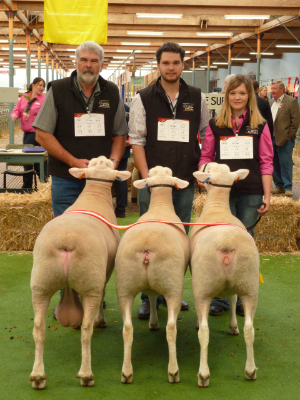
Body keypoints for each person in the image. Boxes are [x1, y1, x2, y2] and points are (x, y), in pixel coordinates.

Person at [129, 42, 210, 319]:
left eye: (176, 63)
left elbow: (206, 135)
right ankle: (147, 298)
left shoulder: (197, 97)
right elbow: (137, 141)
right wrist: (148, 177)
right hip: (154, 184)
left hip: (184, 181)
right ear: (158, 65)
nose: (171, 67)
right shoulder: (143, 97)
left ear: (183, 65)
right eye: (166, 63)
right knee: (147, 239)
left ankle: (173, 293)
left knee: (179, 240)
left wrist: (202, 168)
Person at [199, 74, 273, 317]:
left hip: (250, 192)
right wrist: (204, 177)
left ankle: (242, 297)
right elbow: (206, 156)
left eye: (242, 93)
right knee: (219, 240)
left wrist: (267, 195)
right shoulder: (214, 124)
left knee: (245, 242)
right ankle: (219, 298)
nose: (237, 97)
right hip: (222, 194)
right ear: (226, 96)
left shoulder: (260, 125)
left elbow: (266, 161)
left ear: (249, 96)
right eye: (233, 93)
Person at [33, 41, 127, 216]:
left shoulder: (112, 92)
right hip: (66, 178)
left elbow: (120, 133)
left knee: (98, 229)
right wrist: (73, 162)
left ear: (101, 65)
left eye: (94, 61)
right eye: (84, 60)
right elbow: (42, 134)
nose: (88, 65)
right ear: (76, 63)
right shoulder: (58, 89)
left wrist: (112, 163)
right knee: (65, 232)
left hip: (100, 180)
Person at [11, 77, 46, 188]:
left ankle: (29, 186)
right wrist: (15, 115)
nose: (42, 88)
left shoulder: (43, 99)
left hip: (36, 133)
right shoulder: (24, 98)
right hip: (26, 134)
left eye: (43, 86)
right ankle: (41, 184)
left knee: (30, 159)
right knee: (31, 160)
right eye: (40, 85)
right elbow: (17, 109)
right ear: (33, 85)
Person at [270, 80, 300, 197]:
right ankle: (279, 185)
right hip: (271, 139)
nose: (272, 91)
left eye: (274, 89)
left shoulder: (291, 101)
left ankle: (288, 187)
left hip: (285, 139)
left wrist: (290, 136)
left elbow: (295, 120)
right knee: (274, 163)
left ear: (281, 90)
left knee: (285, 163)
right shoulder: (271, 102)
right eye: (271, 89)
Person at [114, 103, 130, 218]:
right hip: (123, 148)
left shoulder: (110, 105)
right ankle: (121, 210)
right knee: (120, 179)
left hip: (111, 147)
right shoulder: (126, 108)